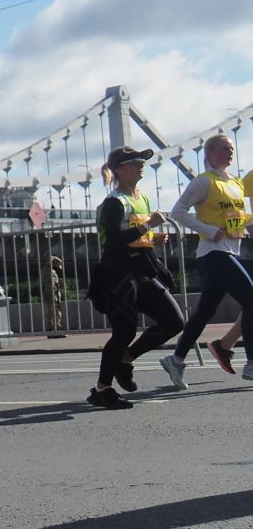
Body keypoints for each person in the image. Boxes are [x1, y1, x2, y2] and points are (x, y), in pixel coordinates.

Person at [84, 146, 181, 410]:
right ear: (119, 169)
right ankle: (102, 389)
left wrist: (154, 239)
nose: (141, 166)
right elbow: (114, 241)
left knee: (174, 321)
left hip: (143, 270)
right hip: (118, 274)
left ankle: (125, 359)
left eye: (142, 162)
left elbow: (137, 237)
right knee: (124, 330)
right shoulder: (114, 202)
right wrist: (148, 226)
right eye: (135, 162)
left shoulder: (143, 198)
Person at [157, 133, 252, 390]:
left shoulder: (236, 183)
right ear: (208, 154)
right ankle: (251, 363)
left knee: (204, 313)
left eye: (231, 149)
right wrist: (208, 230)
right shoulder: (203, 182)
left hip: (231, 250)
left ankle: (175, 360)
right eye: (224, 149)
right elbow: (177, 211)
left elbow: (241, 218)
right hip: (212, 252)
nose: (229, 152)